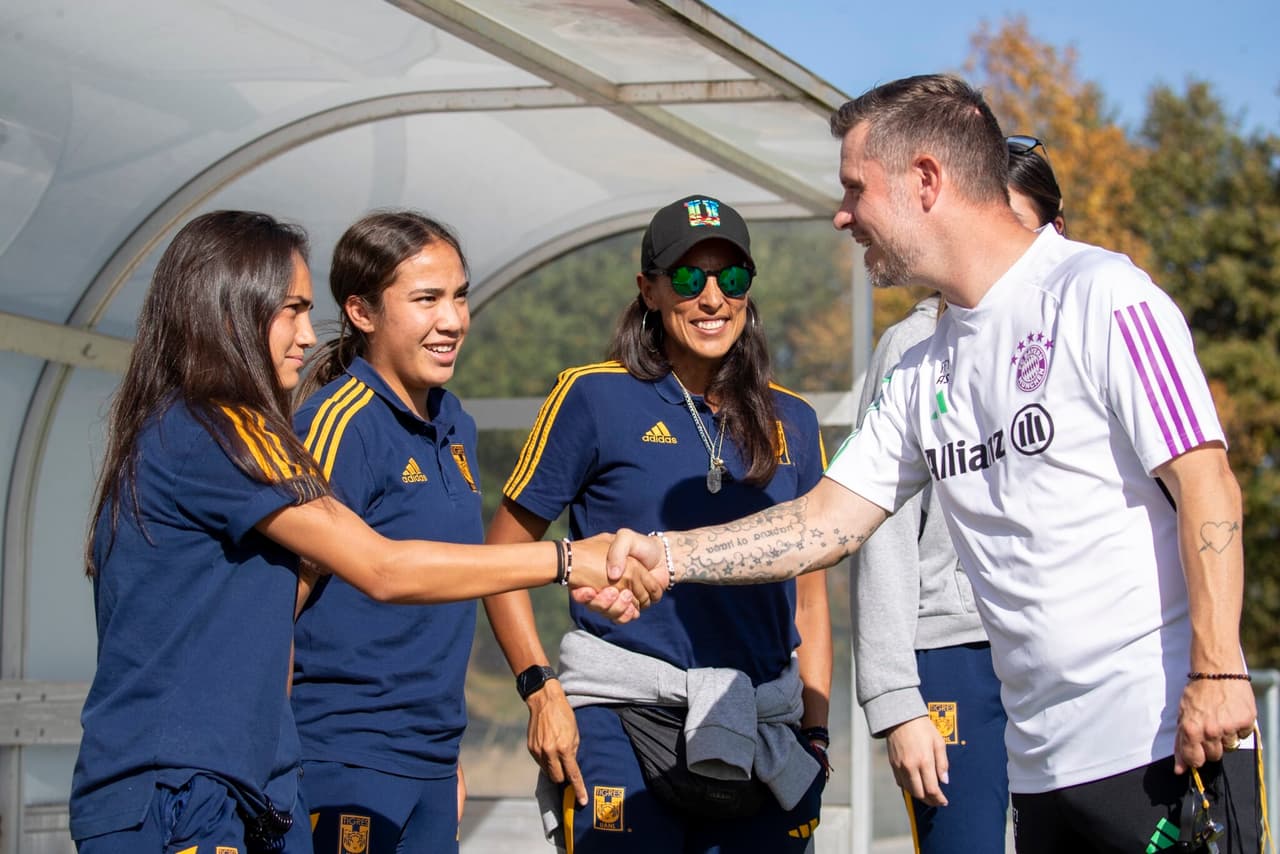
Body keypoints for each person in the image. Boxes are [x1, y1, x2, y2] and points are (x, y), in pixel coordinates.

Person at [606, 75, 1261, 853]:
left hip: (1163, 740)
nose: (843, 214)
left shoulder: (1102, 293)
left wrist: (1218, 672)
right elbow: (825, 522)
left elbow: (1207, 484)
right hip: (1041, 771)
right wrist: (668, 556)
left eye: (856, 188)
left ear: (925, 180)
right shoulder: (922, 366)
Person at [69, 210, 657, 854]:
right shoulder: (208, 431)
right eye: (291, 311)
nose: (306, 334)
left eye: (459, 296)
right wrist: (568, 559)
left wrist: (429, 757)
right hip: (182, 788)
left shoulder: (233, 430)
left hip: (255, 781)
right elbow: (382, 568)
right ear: (229, 313)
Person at [483, 194, 832, 853]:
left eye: (731, 277)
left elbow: (810, 596)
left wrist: (816, 733)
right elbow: (500, 559)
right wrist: (539, 691)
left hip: (760, 725)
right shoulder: (592, 395)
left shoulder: (795, 419)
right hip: (621, 715)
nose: (712, 297)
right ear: (649, 290)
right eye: (688, 277)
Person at [850, 138, 1066, 853]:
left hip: (1062, 654)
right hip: (952, 652)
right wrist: (894, 698)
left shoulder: (1085, 319)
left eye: (1021, 226)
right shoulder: (909, 351)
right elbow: (876, 530)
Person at [290, 211, 484, 853]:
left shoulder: (456, 423)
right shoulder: (338, 422)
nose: (452, 320)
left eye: (459, 296)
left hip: (431, 761)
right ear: (361, 312)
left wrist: (443, 757)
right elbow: (274, 607)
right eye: (426, 299)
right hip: (341, 759)